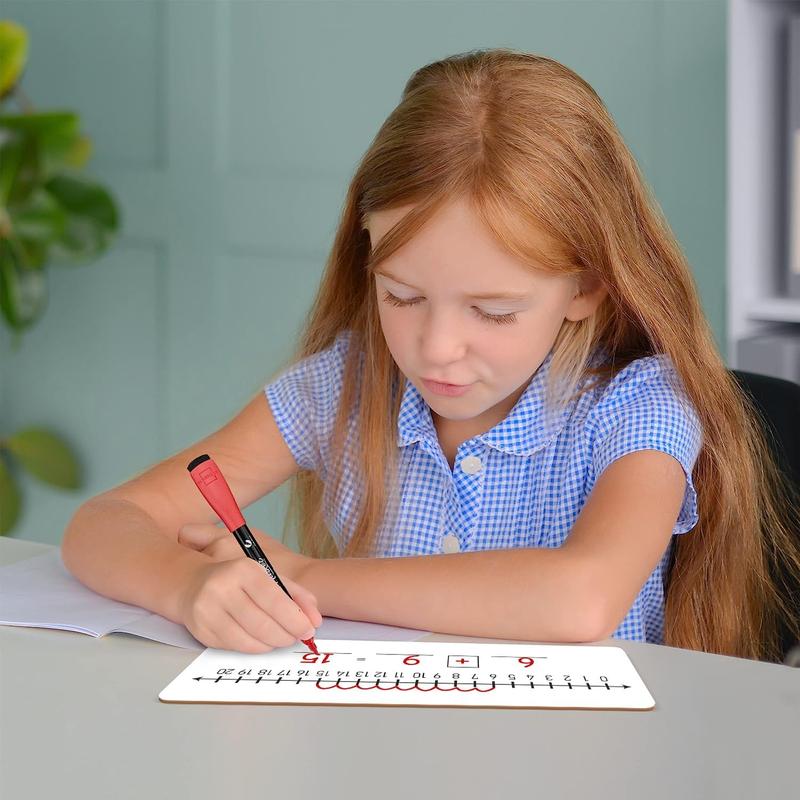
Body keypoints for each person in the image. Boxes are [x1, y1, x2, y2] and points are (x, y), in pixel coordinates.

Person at [62, 48, 800, 662]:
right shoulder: (342, 389)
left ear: (588, 287)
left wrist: (311, 578)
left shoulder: (639, 407)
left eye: (494, 310)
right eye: (403, 296)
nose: (436, 347)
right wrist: (185, 588)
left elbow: (580, 597)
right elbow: (106, 522)